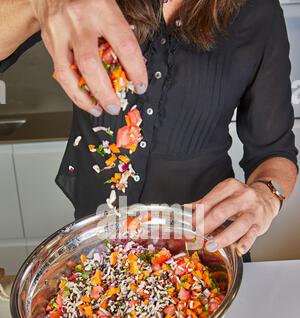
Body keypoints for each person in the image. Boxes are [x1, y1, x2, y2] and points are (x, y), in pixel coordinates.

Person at [0, 0, 298, 257]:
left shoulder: (257, 10)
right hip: (100, 243)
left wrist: (266, 194)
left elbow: (273, 152)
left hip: (204, 249)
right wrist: (39, 4)